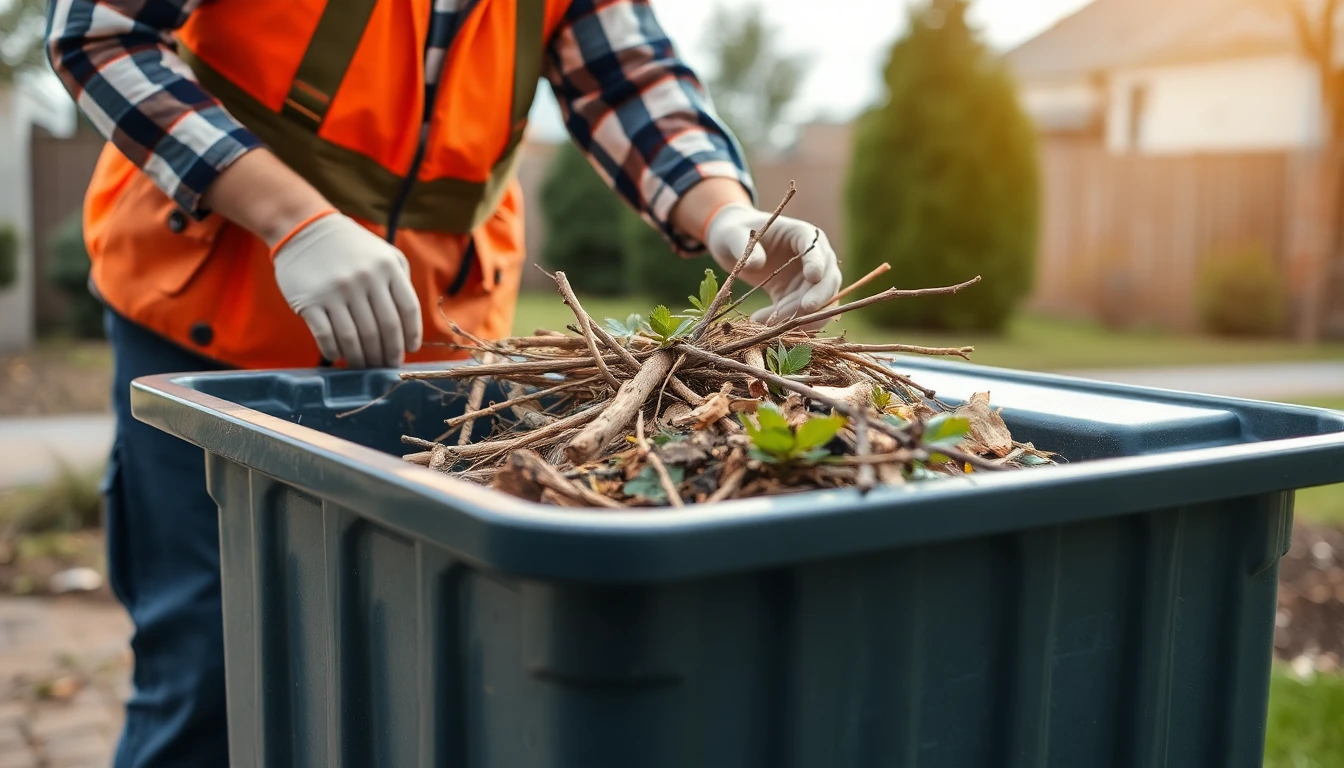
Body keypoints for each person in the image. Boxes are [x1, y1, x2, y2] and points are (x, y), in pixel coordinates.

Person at [45, 0, 844, 765]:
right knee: (211, 671)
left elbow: (627, 76)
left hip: (435, 351)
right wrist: (293, 215)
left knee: (407, 674)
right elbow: (99, 31)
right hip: (211, 328)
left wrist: (724, 211)